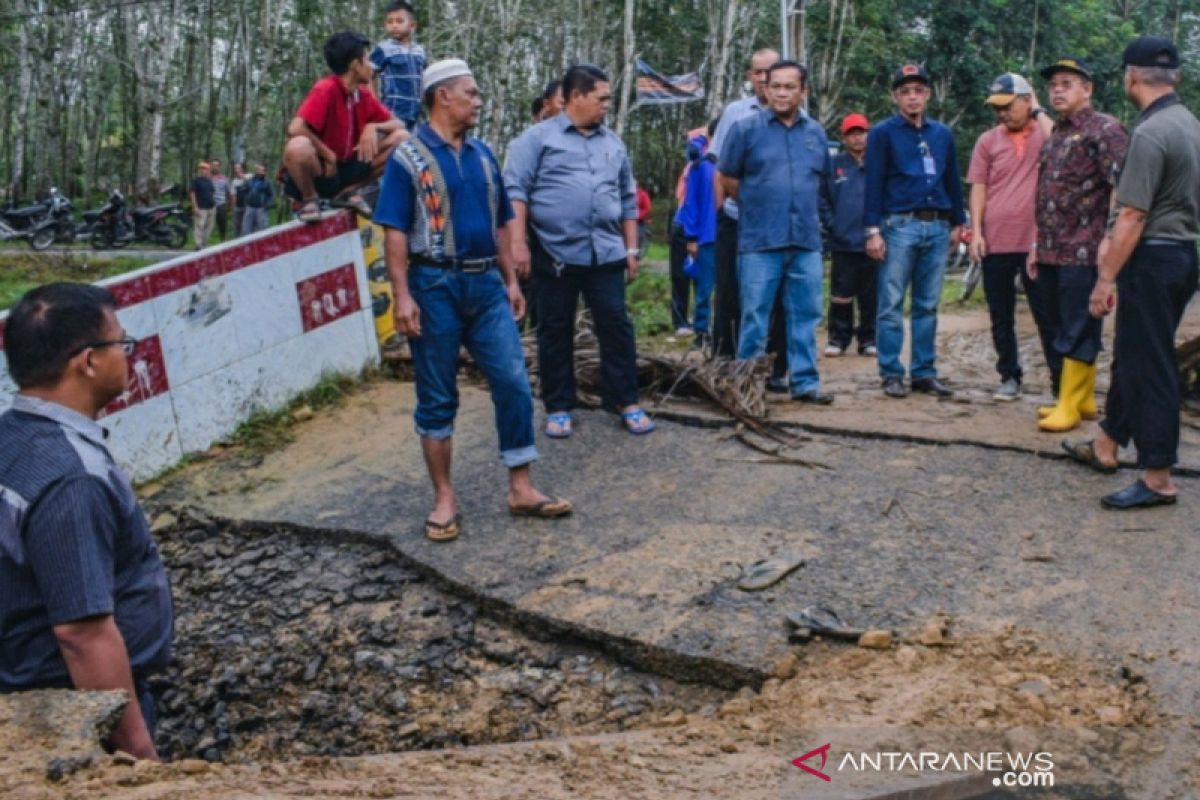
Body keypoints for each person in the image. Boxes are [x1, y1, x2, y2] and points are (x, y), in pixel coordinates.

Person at [375, 59, 572, 542]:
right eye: (472, 92)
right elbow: (395, 231)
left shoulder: (484, 155)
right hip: (433, 286)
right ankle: (445, 498)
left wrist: (510, 282)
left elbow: (502, 220)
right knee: (438, 395)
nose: (478, 101)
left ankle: (521, 487)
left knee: (513, 382)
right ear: (444, 96)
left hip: (486, 287)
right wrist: (401, 296)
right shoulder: (408, 158)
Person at [0, 283, 174, 761]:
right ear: (88, 361)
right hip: (71, 710)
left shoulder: (11, 436)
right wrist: (139, 756)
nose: (128, 354)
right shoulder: (71, 477)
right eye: (121, 342)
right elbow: (82, 634)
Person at [1063, 36, 1200, 509]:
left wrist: (1105, 279)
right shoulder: (1189, 125)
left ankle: (1159, 474)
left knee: (1151, 365)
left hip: (1152, 256)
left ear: (1131, 76)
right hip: (1182, 254)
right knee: (1135, 352)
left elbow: (1132, 216)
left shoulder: (1151, 132)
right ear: (1175, 77)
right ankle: (1107, 441)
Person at [505, 64, 653, 438]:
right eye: (601, 98)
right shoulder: (536, 139)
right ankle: (558, 405)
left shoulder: (613, 143)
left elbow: (627, 199)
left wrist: (631, 248)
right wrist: (518, 243)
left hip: (605, 253)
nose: (607, 105)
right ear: (575, 97)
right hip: (554, 253)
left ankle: (625, 400)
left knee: (616, 325)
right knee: (555, 329)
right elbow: (515, 192)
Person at [719, 59, 832, 404]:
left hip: (805, 241)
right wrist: (760, 205)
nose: (782, 93)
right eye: (776, 86)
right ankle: (748, 386)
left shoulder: (816, 133)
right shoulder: (745, 129)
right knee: (754, 315)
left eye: (790, 86)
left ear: (803, 91)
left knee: (805, 315)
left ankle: (805, 383)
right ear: (765, 89)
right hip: (759, 240)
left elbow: (821, 181)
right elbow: (728, 178)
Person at [1029, 56, 1128, 431]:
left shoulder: (1105, 130)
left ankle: (1068, 404)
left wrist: (1110, 237)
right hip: (1053, 247)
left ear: (1087, 89)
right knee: (1059, 323)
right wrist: (1037, 242)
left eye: (1067, 83)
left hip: (1085, 250)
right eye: (1054, 84)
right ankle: (1082, 399)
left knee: (1078, 326)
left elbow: (1123, 184)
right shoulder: (1056, 133)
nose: (1057, 89)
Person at [865, 63, 967, 399]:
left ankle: (924, 372)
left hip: (937, 224)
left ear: (928, 94)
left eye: (919, 91)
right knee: (891, 302)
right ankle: (891, 372)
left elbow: (951, 177)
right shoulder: (883, 133)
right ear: (896, 96)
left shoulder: (942, 134)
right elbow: (874, 181)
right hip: (900, 224)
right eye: (905, 91)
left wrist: (957, 222)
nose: (913, 97)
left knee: (927, 304)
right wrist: (872, 230)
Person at [966, 73, 1055, 401]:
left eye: (1008, 106)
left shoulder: (1044, 134)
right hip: (996, 240)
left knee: (1046, 314)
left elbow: (1060, 141)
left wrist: (1037, 110)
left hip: (1036, 242)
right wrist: (976, 232)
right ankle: (1009, 376)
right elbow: (979, 187)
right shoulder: (988, 140)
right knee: (1000, 314)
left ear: (1026, 100)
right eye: (997, 108)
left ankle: (1059, 381)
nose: (1002, 113)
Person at [709, 48, 787, 383]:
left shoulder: (794, 115)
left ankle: (776, 369)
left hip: (780, 225)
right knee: (730, 293)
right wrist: (720, 215)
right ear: (750, 76)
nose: (764, 79)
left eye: (770, 72)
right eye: (758, 72)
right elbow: (719, 169)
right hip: (737, 219)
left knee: (778, 298)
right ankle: (726, 365)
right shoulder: (735, 113)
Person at [282, 31, 408, 223]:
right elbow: (295, 128)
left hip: (345, 171)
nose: (372, 67)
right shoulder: (326, 89)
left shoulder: (362, 94)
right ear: (355, 65)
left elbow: (399, 123)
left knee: (402, 138)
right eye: (366, 59)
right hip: (320, 170)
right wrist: (328, 155)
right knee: (297, 146)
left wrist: (374, 127)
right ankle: (309, 199)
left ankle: (346, 193)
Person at [823, 113, 876, 358]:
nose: (857, 138)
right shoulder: (834, 164)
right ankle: (838, 338)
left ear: (868, 133)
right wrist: (834, 225)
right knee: (841, 295)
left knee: (871, 294)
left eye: (861, 132)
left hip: (873, 241)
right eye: (851, 133)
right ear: (843, 137)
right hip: (843, 242)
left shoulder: (878, 163)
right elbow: (821, 198)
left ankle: (868, 339)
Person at [673, 130, 718, 348]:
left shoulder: (734, 159)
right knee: (704, 286)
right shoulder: (700, 165)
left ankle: (725, 331)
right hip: (707, 235)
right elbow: (691, 203)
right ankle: (702, 331)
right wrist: (692, 237)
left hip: (733, 234)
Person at [370, 0, 425, 131]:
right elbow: (367, 75)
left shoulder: (420, 51)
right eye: (390, 22)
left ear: (412, 25)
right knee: (394, 147)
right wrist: (374, 103)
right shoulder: (384, 49)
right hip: (392, 112)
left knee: (412, 148)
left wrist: (423, 99)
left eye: (399, 21)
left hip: (415, 113)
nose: (394, 25)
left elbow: (424, 76)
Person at [241, 163, 276, 235]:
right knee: (246, 229)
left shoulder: (267, 182)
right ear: (256, 171)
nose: (259, 172)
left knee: (261, 230)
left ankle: (260, 245)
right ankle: (247, 245)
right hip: (249, 208)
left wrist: (267, 205)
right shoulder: (250, 181)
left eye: (261, 170)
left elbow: (272, 195)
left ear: (264, 172)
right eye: (258, 170)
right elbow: (244, 191)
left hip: (261, 209)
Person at [190, 160, 216, 249]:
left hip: (211, 207)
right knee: (199, 226)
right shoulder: (196, 181)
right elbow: (192, 193)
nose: (204, 170)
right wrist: (195, 206)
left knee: (209, 226)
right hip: (201, 207)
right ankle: (198, 244)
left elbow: (212, 192)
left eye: (205, 168)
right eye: (202, 168)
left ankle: (204, 243)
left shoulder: (209, 181)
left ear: (208, 170)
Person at [209, 159, 233, 242]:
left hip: (221, 205)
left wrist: (230, 206)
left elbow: (230, 193)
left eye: (217, 165)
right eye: (213, 165)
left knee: (222, 225)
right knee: (207, 226)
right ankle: (203, 246)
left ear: (219, 167)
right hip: (209, 205)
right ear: (211, 166)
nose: (215, 167)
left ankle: (223, 242)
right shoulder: (207, 178)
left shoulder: (224, 179)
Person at [231, 162, 248, 239]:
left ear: (242, 169)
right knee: (237, 225)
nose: (237, 170)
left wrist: (243, 178)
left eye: (238, 168)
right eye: (235, 168)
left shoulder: (249, 176)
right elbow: (233, 195)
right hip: (238, 206)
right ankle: (237, 241)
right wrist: (233, 207)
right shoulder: (234, 181)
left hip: (248, 207)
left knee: (246, 226)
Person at [636, 183, 652, 254]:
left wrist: (638, 216)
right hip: (626, 221)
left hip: (639, 222)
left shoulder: (642, 194)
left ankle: (637, 257)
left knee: (639, 239)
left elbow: (647, 208)